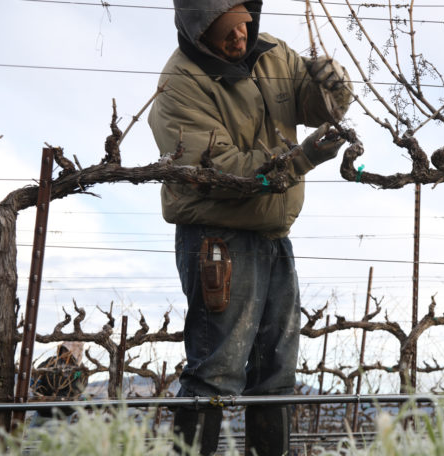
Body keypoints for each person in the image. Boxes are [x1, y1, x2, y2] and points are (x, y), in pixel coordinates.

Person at [148, 1, 353, 454]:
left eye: (243, 25)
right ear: (199, 34)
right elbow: (218, 172)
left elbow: (314, 104)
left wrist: (332, 88)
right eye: (226, 33)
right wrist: (302, 158)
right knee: (214, 372)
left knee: (277, 373)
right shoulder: (178, 86)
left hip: (274, 236)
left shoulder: (273, 52)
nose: (239, 38)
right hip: (216, 241)